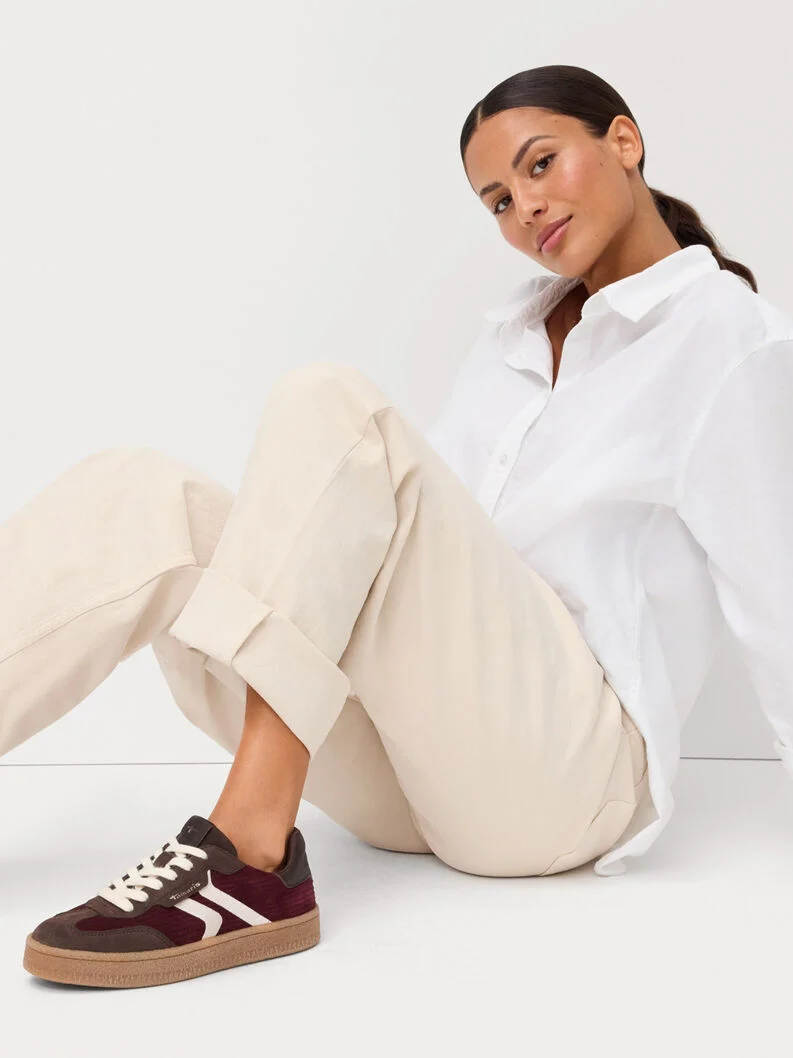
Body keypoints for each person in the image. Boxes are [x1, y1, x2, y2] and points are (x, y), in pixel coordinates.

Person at [8, 62, 791, 989]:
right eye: (498, 200)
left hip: (564, 784)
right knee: (143, 495)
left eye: (540, 164)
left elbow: (776, 595)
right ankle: (256, 832)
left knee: (331, 404)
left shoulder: (727, 336)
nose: (525, 209)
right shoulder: (511, 337)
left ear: (623, 141)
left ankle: (249, 851)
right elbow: (398, 555)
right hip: (419, 776)